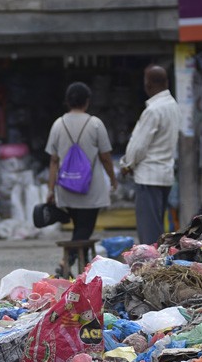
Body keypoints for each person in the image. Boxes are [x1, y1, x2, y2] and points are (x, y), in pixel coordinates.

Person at [45, 82, 118, 276]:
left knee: (80, 228)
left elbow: (53, 161)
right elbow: (105, 157)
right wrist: (113, 179)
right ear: (87, 102)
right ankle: (65, 264)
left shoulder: (58, 124)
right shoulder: (95, 124)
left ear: (67, 101)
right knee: (85, 229)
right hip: (90, 188)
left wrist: (50, 189)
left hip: (66, 187)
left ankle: (83, 268)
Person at [120, 64, 181, 245]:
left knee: (149, 234)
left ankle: (151, 268)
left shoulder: (153, 110)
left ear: (147, 84)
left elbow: (138, 146)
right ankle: (156, 266)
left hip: (148, 176)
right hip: (164, 175)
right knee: (156, 230)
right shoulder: (172, 106)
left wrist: (126, 165)